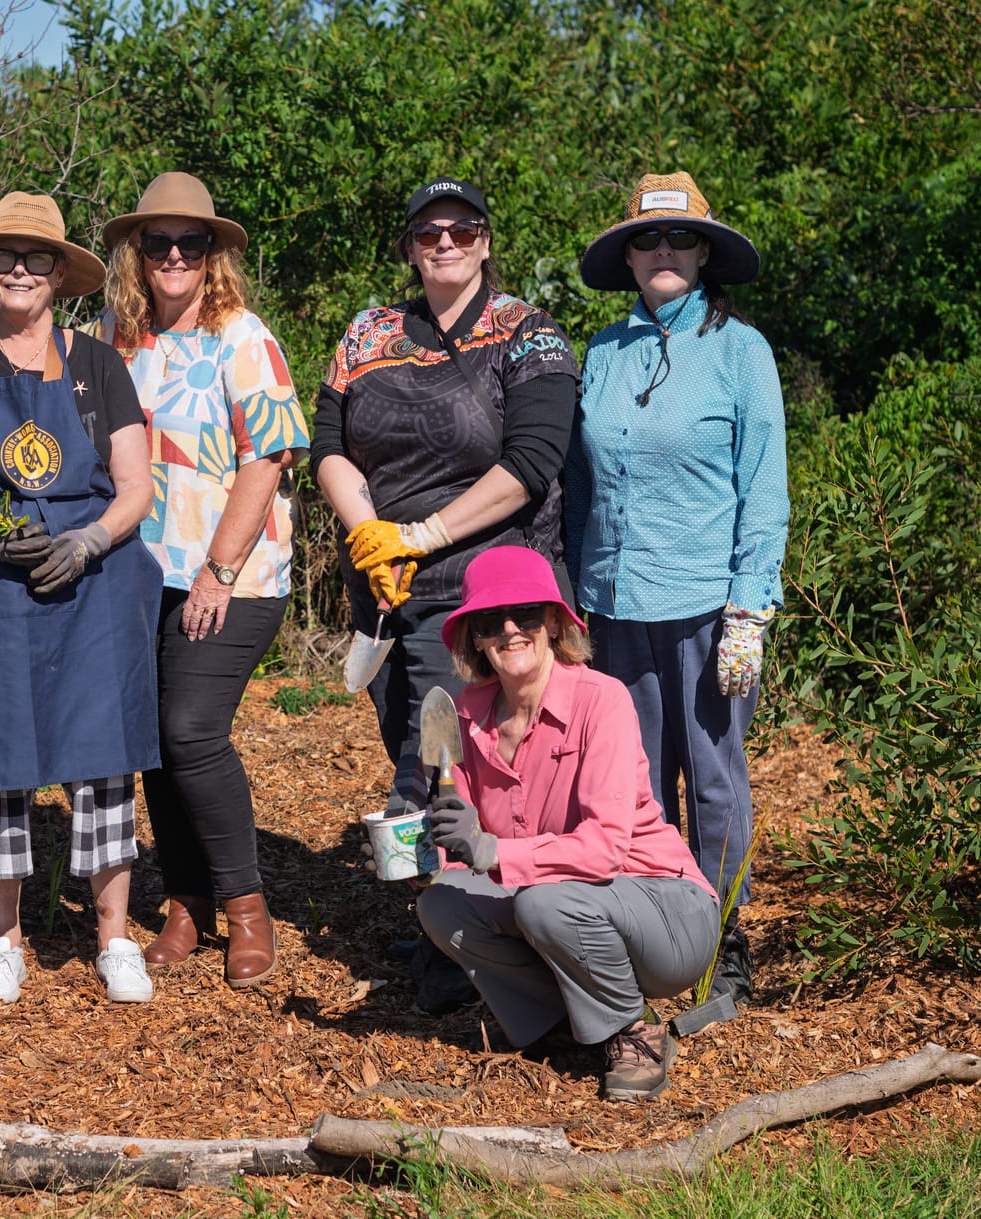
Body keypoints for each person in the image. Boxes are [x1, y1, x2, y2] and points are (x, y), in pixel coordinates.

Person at [310, 177, 580, 1010]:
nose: (447, 243)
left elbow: (532, 461)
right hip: (387, 594)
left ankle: (457, 952)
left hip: (484, 601)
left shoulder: (528, 333)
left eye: (464, 229)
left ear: (487, 241)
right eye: (429, 232)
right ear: (409, 247)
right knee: (415, 745)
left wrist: (420, 535)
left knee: (438, 771)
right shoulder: (369, 332)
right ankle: (454, 922)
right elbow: (328, 443)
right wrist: (370, 534)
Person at [0, 190, 162, 1006]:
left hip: (93, 585)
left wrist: (89, 538)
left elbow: (135, 486)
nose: (19, 270)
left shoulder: (99, 366)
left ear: (59, 274)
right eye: (4, 256)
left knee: (103, 757)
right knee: (1, 758)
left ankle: (114, 937)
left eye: (36, 258)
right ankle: (4, 940)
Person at [565, 171, 788, 1004]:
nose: (664, 250)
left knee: (715, 779)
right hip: (614, 604)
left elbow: (763, 487)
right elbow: (580, 486)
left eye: (680, 237)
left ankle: (723, 935)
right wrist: (571, 596)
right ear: (628, 256)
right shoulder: (602, 351)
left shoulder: (742, 352)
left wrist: (750, 605)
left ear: (704, 254)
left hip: (707, 605)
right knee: (637, 779)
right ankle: (662, 929)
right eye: (647, 238)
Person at [94, 173, 308, 989]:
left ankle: (246, 906)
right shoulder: (116, 336)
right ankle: (185, 901)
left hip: (234, 571)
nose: (175, 255)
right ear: (137, 252)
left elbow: (268, 457)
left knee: (189, 729)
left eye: (192, 242)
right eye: (159, 241)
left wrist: (218, 569)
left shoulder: (241, 335)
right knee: (152, 738)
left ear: (213, 253)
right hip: (140, 571)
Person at [415, 545, 720, 1103]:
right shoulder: (465, 714)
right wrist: (418, 850)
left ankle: (634, 1032)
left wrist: (491, 851)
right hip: (563, 904)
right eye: (491, 620)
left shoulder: (601, 700)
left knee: (544, 902)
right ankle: (561, 1024)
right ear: (475, 638)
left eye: (526, 614)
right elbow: (461, 850)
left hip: (665, 910)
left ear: (555, 623)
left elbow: (604, 850)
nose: (510, 630)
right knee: (442, 904)